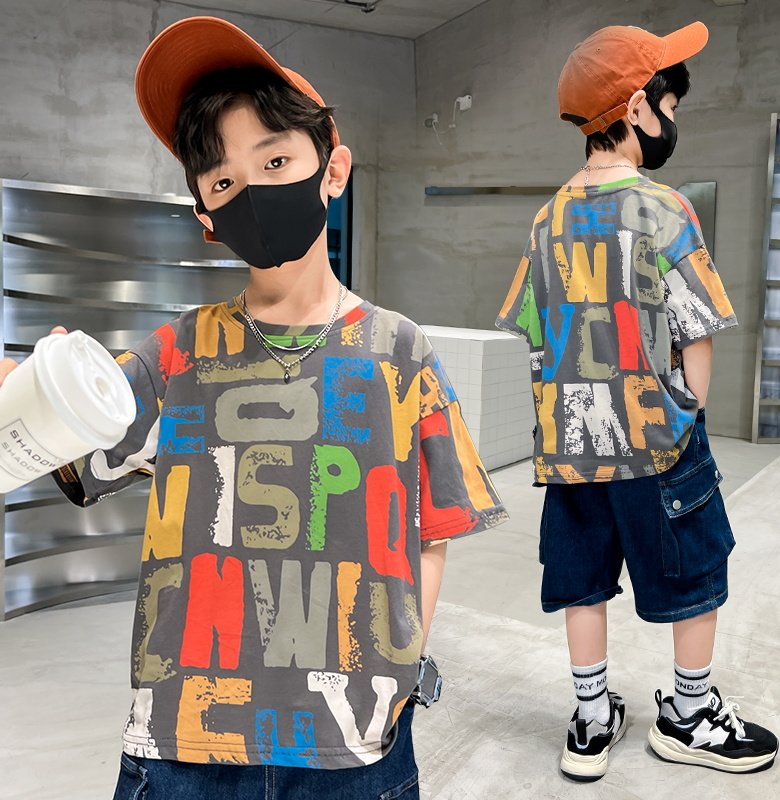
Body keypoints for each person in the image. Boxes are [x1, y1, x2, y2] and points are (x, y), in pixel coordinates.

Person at [0, 15, 509, 799]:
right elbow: (70, 438)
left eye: (275, 161)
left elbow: (430, 531)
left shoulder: (400, 351)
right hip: (183, 747)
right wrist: (35, 384)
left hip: (355, 747)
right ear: (206, 218)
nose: (254, 192)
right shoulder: (178, 352)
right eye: (224, 182)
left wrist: (397, 674)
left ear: (332, 169)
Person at [496, 21, 778, 782]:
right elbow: (697, 332)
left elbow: (533, 331)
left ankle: (591, 721)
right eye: (670, 107)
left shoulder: (547, 218)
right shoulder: (665, 209)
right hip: (657, 440)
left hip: (572, 446)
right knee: (695, 572)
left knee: (582, 580)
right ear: (636, 108)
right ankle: (689, 715)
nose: (672, 122)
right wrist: (686, 413)